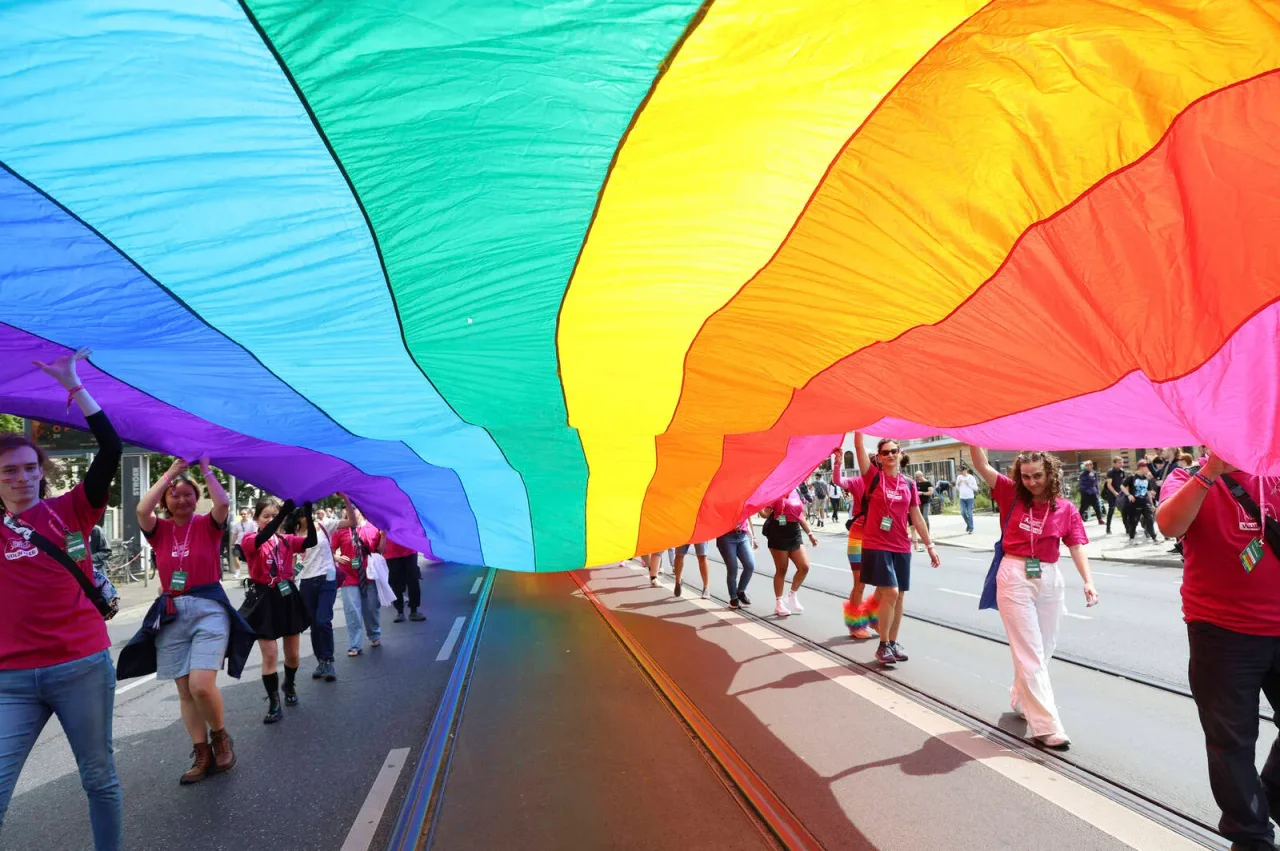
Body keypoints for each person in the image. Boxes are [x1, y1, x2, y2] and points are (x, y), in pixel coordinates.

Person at [0, 349, 123, 850]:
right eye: (9, 471)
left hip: (80, 666)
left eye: (30, 468)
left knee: (99, 778)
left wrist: (74, 386)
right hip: (10, 680)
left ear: (41, 471)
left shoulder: (71, 509)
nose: (22, 477)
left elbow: (110, 449)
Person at [1157, 452, 1280, 851]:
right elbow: (1169, 525)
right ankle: (1251, 837)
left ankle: (1271, 794)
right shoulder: (1188, 477)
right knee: (1232, 742)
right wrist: (1210, 472)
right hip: (1222, 634)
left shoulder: (1275, 475)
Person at [969, 447, 1098, 750]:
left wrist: (1088, 581)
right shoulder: (1009, 492)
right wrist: (973, 435)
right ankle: (1046, 725)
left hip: (1050, 575)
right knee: (1029, 651)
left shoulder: (1065, 508)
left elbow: (1076, 545)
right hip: (1014, 575)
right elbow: (981, 464)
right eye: (1025, 476)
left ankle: (1020, 696)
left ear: (1050, 474)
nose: (1031, 482)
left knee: (1044, 647)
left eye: (1037, 475)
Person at [133, 456, 247, 783]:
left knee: (200, 685)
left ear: (197, 499)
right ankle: (201, 752)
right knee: (184, 690)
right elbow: (142, 509)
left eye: (188, 495)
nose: (182, 500)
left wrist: (206, 469)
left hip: (209, 607)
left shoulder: (208, 525)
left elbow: (223, 502)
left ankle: (220, 737)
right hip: (171, 612)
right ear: (166, 500)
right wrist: (171, 473)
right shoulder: (159, 530)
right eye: (175, 495)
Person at [854, 433, 941, 664]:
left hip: (901, 545)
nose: (891, 455)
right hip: (876, 543)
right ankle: (882, 645)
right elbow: (859, 446)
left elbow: (917, 517)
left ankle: (892, 642)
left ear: (900, 454)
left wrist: (930, 545)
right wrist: (859, 426)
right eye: (885, 452)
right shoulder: (873, 477)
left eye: (894, 451)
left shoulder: (909, 483)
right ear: (879, 457)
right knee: (891, 592)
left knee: (900, 594)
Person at [239, 498, 316, 723]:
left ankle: (289, 684)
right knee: (270, 654)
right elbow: (264, 536)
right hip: (264, 598)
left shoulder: (286, 540)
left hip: (287, 595)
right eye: (266, 516)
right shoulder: (250, 539)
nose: (271, 519)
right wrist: (283, 513)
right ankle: (274, 703)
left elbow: (311, 541)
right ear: (256, 518)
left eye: (274, 516)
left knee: (293, 655)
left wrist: (308, 515)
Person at [286, 506, 339, 682]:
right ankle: (321, 661)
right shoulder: (295, 536)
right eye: (304, 515)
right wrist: (290, 579)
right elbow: (297, 563)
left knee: (323, 620)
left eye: (311, 513)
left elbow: (352, 522)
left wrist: (346, 499)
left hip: (327, 577)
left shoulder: (324, 525)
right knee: (314, 624)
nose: (310, 517)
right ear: (299, 518)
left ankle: (329, 660)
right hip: (307, 581)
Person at [330, 494, 384, 657]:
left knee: (371, 608)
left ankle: (374, 634)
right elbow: (330, 551)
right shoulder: (340, 531)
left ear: (360, 510)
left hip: (369, 575)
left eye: (353, 509)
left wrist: (384, 535)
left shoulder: (372, 528)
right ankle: (354, 644)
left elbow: (380, 551)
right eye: (347, 509)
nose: (349, 512)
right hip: (348, 576)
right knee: (352, 611)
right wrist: (337, 557)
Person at [833, 450, 875, 639]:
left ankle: (875, 619)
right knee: (860, 583)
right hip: (858, 535)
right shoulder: (858, 481)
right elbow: (838, 481)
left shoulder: (885, 482)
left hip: (878, 536)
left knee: (885, 583)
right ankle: (855, 625)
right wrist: (838, 462)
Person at [760, 489, 819, 617]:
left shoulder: (795, 491)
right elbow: (765, 514)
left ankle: (792, 595)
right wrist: (757, 505)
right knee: (782, 569)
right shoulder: (776, 491)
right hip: (779, 532)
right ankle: (779, 603)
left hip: (794, 531)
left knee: (804, 566)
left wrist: (810, 534)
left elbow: (800, 515)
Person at [715, 518, 757, 609]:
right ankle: (733, 598)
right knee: (732, 568)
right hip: (726, 536)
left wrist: (753, 537)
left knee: (750, 565)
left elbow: (749, 518)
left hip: (742, 536)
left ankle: (740, 591)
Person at [384, 536, 425, 623]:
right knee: (395, 583)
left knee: (413, 581)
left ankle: (414, 611)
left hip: (409, 548)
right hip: (392, 551)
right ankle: (400, 612)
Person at [1122, 460, 1158, 544]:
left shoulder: (1146, 479)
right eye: (1147, 468)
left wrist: (1152, 504)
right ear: (1141, 468)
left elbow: (1148, 492)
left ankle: (1154, 538)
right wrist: (1129, 495)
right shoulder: (1132, 477)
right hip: (1135, 504)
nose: (1148, 470)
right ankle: (1131, 539)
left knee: (1150, 520)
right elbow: (1122, 486)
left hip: (1145, 503)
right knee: (1134, 522)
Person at [229, 508, 256, 580]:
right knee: (235, 555)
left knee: (248, 559)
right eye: (242, 514)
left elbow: (255, 534)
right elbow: (235, 534)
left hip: (248, 544)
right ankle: (237, 571)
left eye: (245, 514)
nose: (243, 515)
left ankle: (251, 573)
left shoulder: (252, 524)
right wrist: (232, 544)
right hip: (239, 543)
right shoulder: (237, 524)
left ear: (248, 514)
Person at [911, 471, 934, 552]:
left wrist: (922, 493)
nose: (918, 478)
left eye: (918, 477)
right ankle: (922, 533)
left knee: (925, 517)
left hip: (926, 502)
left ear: (921, 475)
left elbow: (930, 492)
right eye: (916, 477)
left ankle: (927, 532)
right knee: (919, 518)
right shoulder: (917, 484)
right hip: (919, 503)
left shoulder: (928, 483)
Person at [1104, 456, 1126, 535]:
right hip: (1112, 494)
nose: (1121, 464)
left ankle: (1128, 528)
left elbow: (1123, 482)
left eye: (1122, 462)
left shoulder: (1122, 471)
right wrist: (1115, 493)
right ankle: (1108, 528)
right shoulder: (1111, 472)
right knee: (1111, 511)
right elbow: (1109, 485)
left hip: (1121, 494)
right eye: (1119, 463)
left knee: (1124, 511)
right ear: (1115, 463)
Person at [956, 465, 980, 534]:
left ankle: (971, 528)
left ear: (965, 470)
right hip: (962, 498)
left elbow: (976, 488)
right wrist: (958, 484)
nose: (960, 472)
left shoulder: (971, 477)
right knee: (963, 512)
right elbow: (957, 488)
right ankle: (969, 524)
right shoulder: (959, 477)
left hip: (970, 498)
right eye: (960, 471)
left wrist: (968, 484)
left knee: (969, 513)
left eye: (961, 471)